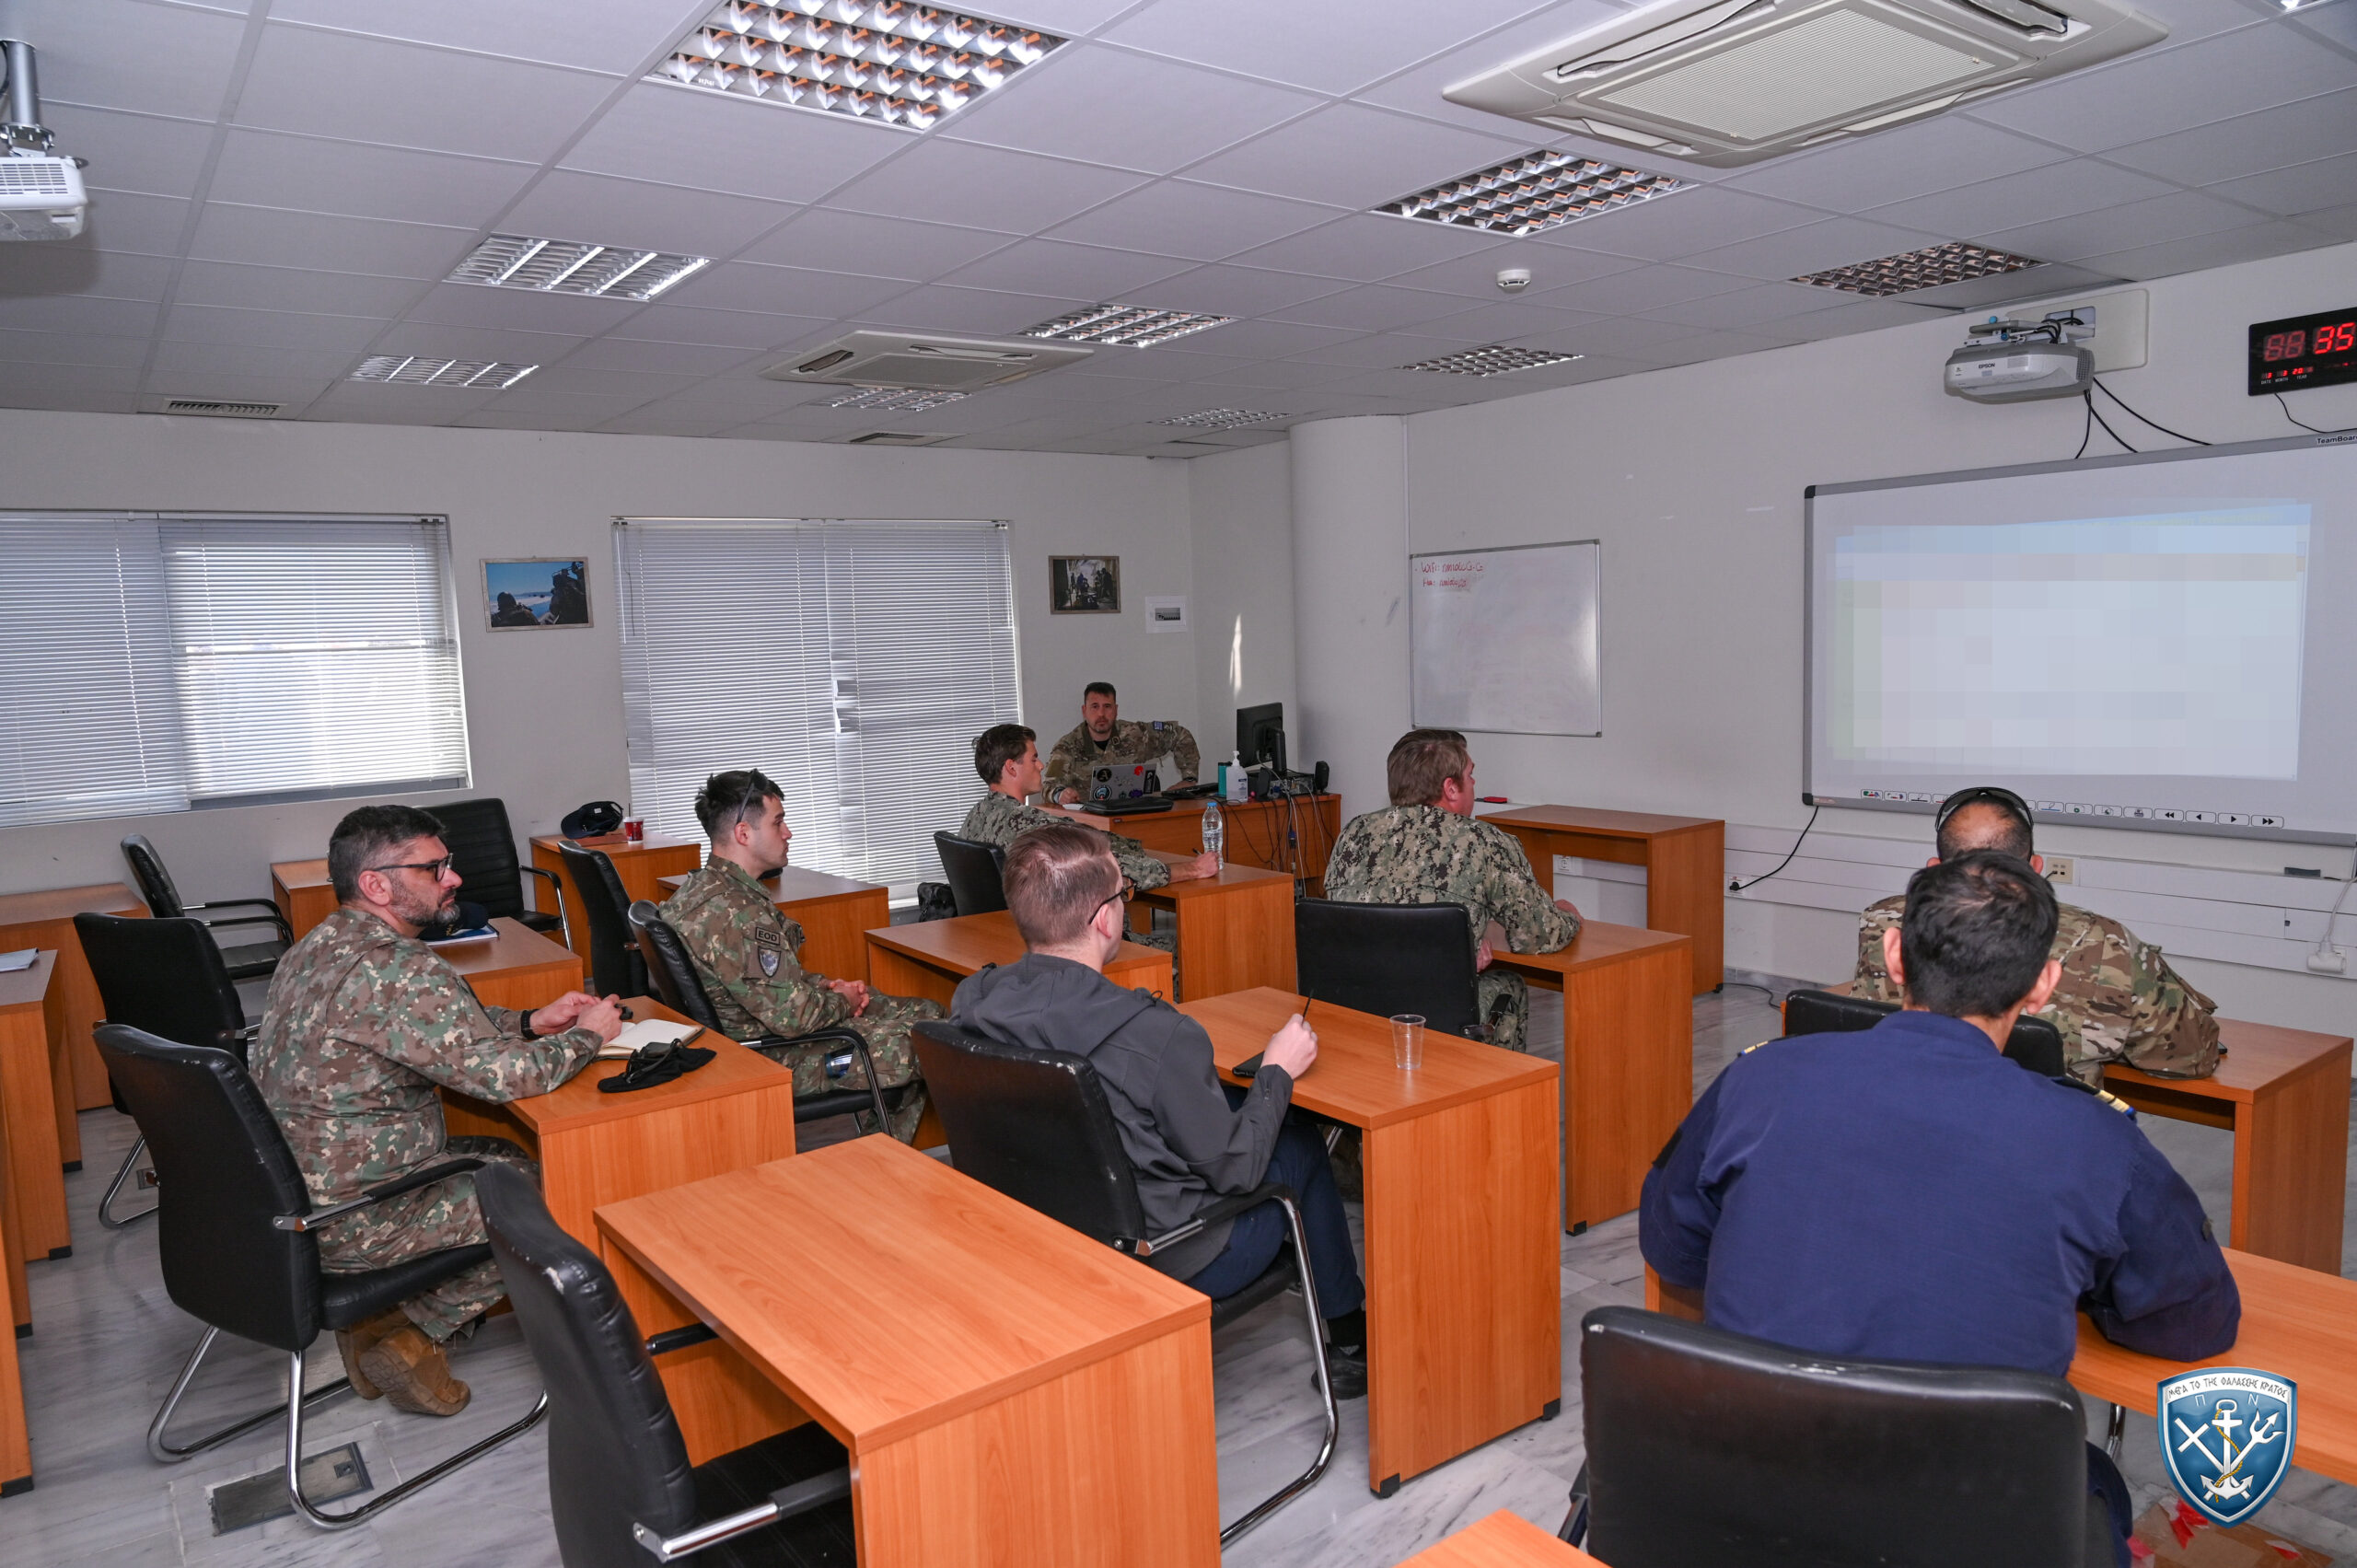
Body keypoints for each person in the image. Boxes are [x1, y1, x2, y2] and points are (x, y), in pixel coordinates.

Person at [1643, 850, 2239, 1568]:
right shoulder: (2094, 1137)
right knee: (2095, 1480)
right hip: (1971, 1520)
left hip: (1749, 1493)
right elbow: (2195, 1321)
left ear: (1895, 954)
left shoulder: (1759, 1076)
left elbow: (1672, 1243)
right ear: (2043, 985)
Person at [951, 823, 1370, 1399]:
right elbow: (1238, 1171)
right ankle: (1351, 1337)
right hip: (1170, 1254)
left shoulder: (975, 999)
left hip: (1047, 1232)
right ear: (1106, 919)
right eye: (1123, 894)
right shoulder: (1157, 1034)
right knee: (1297, 1146)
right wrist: (1277, 1069)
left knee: (1237, 1105)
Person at [252, 804, 624, 1416]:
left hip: (294, 1203)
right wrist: (587, 1036)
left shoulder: (316, 946)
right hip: (359, 1217)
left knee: (502, 1155)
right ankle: (415, 1334)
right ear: (376, 885)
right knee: (551, 1189)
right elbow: (507, 1079)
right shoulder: (399, 968)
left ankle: (382, 1321)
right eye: (433, 869)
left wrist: (530, 1021)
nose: (453, 878)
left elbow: (433, 1031)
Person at [1852, 784, 2219, 1083]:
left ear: (1935, 868)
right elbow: (2188, 1058)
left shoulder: (1885, 920)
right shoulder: (2104, 940)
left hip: (1899, 1112)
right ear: (2035, 867)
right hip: (2050, 1133)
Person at [660, 768, 936, 1142]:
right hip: (773, 1056)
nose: (788, 833)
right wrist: (842, 1000)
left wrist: (826, 986)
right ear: (743, 833)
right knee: (928, 1041)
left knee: (929, 1013)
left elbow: (762, 982)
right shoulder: (738, 914)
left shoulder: (703, 889)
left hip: (754, 1034)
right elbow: (795, 1018)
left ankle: (882, 1152)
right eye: (778, 823)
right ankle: (881, 1162)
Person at [1322, 728, 1580, 1051]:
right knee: (1508, 985)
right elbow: (1539, 934)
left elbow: (1352, 919)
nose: (1474, 782)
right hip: (1432, 1015)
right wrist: (1566, 914)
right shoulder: (1484, 841)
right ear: (1451, 788)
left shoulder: (1353, 833)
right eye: (1470, 775)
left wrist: (1464, 945)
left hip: (1352, 1008)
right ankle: (1498, 1086)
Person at [962, 722, 1217, 898]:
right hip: (1066, 941)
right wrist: (1192, 869)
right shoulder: (1029, 824)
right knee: (1182, 951)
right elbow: (1104, 863)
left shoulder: (974, 818)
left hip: (1007, 935)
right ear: (1011, 767)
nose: (1041, 766)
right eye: (1034, 758)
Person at [1045, 681, 1201, 803]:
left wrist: (1189, 779)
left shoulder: (1135, 734)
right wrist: (1060, 795)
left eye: (1107, 707)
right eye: (1095, 707)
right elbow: (1049, 786)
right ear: (1084, 711)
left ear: (1116, 709)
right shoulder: (1067, 747)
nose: (1101, 714)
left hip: (1134, 817)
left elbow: (1179, 734)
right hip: (1089, 823)